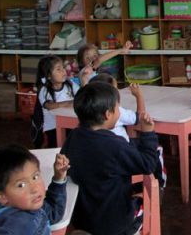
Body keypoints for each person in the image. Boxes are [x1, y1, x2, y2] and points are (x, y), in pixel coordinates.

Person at [60, 81, 159, 235]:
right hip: (114, 222)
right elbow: (148, 165)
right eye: (117, 108)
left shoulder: (74, 136)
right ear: (108, 114)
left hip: (82, 218)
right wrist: (148, 133)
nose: (119, 112)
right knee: (145, 206)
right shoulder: (114, 145)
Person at [89, 73, 167, 188]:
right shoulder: (115, 111)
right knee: (157, 149)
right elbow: (140, 117)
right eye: (116, 89)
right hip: (122, 148)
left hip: (104, 153)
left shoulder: (89, 112)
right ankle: (159, 183)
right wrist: (139, 96)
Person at [0, 144, 69, 235]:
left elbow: (53, 214)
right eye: (21, 185)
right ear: (2, 196)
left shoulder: (27, 203)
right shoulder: (12, 228)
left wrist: (58, 178)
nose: (35, 188)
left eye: (35, 177)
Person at [35, 55, 79, 148]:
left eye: (63, 67)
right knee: (57, 148)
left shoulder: (70, 84)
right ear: (49, 76)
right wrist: (68, 103)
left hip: (70, 122)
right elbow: (49, 106)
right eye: (58, 69)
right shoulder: (44, 90)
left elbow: (81, 95)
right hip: (53, 127)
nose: (63, 71)